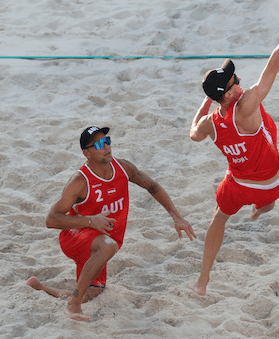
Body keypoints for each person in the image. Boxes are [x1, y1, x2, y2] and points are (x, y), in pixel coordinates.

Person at [188, 15, 279, 296]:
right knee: (269, 203)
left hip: (237, 183)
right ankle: (258, 211)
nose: (240, 82)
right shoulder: (248, 105)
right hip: (269, 182)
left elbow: (193, 133)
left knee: (219, 218)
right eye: (234, 82)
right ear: (227, 95)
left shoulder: (211, 123)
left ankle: (203, 280)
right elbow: (274, 64)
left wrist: (205, 105)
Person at [26, 126, 196, 321]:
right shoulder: (80, 181)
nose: (106, 146)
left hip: (100, 241)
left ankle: (39, 287)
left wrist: (177, 216)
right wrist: (91, 221)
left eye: (107, 141)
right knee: (108, 246)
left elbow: (152, 186)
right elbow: (51, 219)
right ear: (86, 153)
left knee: (93, 292)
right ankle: (73, 304)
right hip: (75, 237)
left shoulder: (123, 168)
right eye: (99, 144)